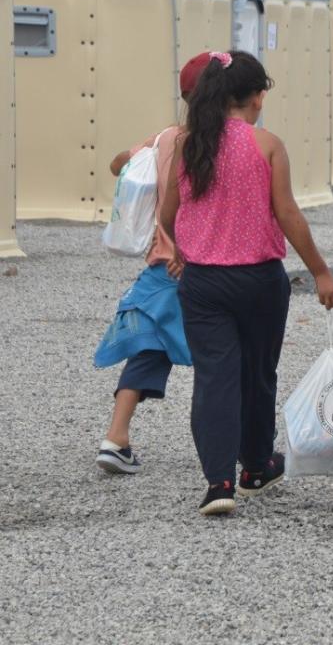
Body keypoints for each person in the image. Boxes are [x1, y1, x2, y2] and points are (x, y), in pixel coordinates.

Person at [160, 50, 333, 516]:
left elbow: (168, 211)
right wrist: (320, 270)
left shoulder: (190, 144)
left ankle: (218, 483)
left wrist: (183, 249)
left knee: (214, 378)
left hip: (202, 282)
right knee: (258, 376)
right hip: (260, 280)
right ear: (257, 97)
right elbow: (287, 213)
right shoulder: (267, 144)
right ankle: (257, 466)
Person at [93, 52, 214, 474]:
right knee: (226, 355)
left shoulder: (166, 138)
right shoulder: (230, 144)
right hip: (212, 263)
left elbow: (116, 164)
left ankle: (117, 436)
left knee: (148, 347)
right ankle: (237, 447)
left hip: (164, 264)